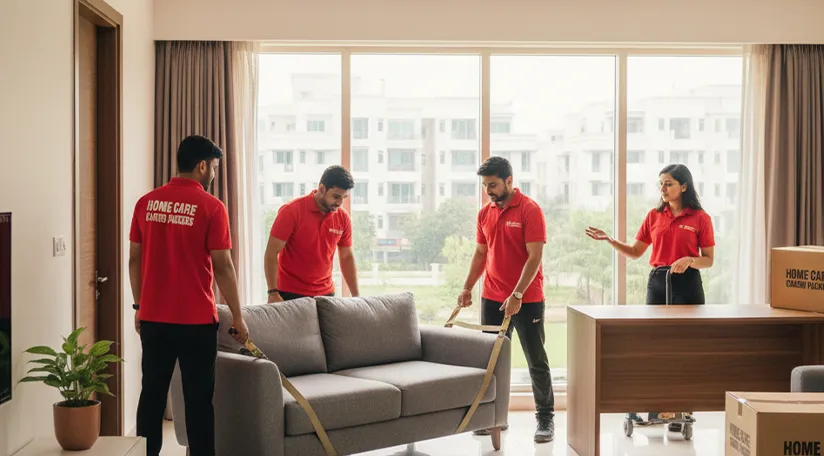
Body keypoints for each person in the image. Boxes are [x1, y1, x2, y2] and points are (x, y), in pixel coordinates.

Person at [129, 135, 249, 456]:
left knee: (151, 396)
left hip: (154, 319)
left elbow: (134, 259)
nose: (213, 173)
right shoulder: (212, 207)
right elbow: (223, 266)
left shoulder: (146, 202)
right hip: (196, 321)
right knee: (198, 401)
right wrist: (237, 316)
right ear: (201, 165)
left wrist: (139, 306)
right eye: (214, 167)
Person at [585, 163, 715, 432]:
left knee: (684, 346)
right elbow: (635, 252)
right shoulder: (654, 215)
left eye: (668, 183)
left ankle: (680, 407)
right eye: (661, 184)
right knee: (654, 342)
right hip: (658, 282)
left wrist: (690, 260)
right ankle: (656, 405)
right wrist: (609, 239)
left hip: (687, 282)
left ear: (683, 186)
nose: (663, 189)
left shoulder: (700, 218)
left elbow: (709, 261)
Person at [458, 156, 555, 443]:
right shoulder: (484, 213)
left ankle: (545, 418)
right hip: (492, 297)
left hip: (527, 299)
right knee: (492, 362)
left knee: (535, 358)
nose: (488, 190)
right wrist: (467, 288)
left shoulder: (530, 210)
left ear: (509, 181)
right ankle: (495, 419)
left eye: (493, 184)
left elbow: (535, 257)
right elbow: (480, 254)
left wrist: (517, 295)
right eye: (485, 185)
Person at [264, 165, 359, 302]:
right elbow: (271, 254)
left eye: (344, 197)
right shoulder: (291, 211)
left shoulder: (343, 218)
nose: (339, 203)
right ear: (321, 189)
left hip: (326, 294)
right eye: (336, 196)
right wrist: (272, 292)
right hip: (289, 293)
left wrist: (357, 297)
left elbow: (346, 257)